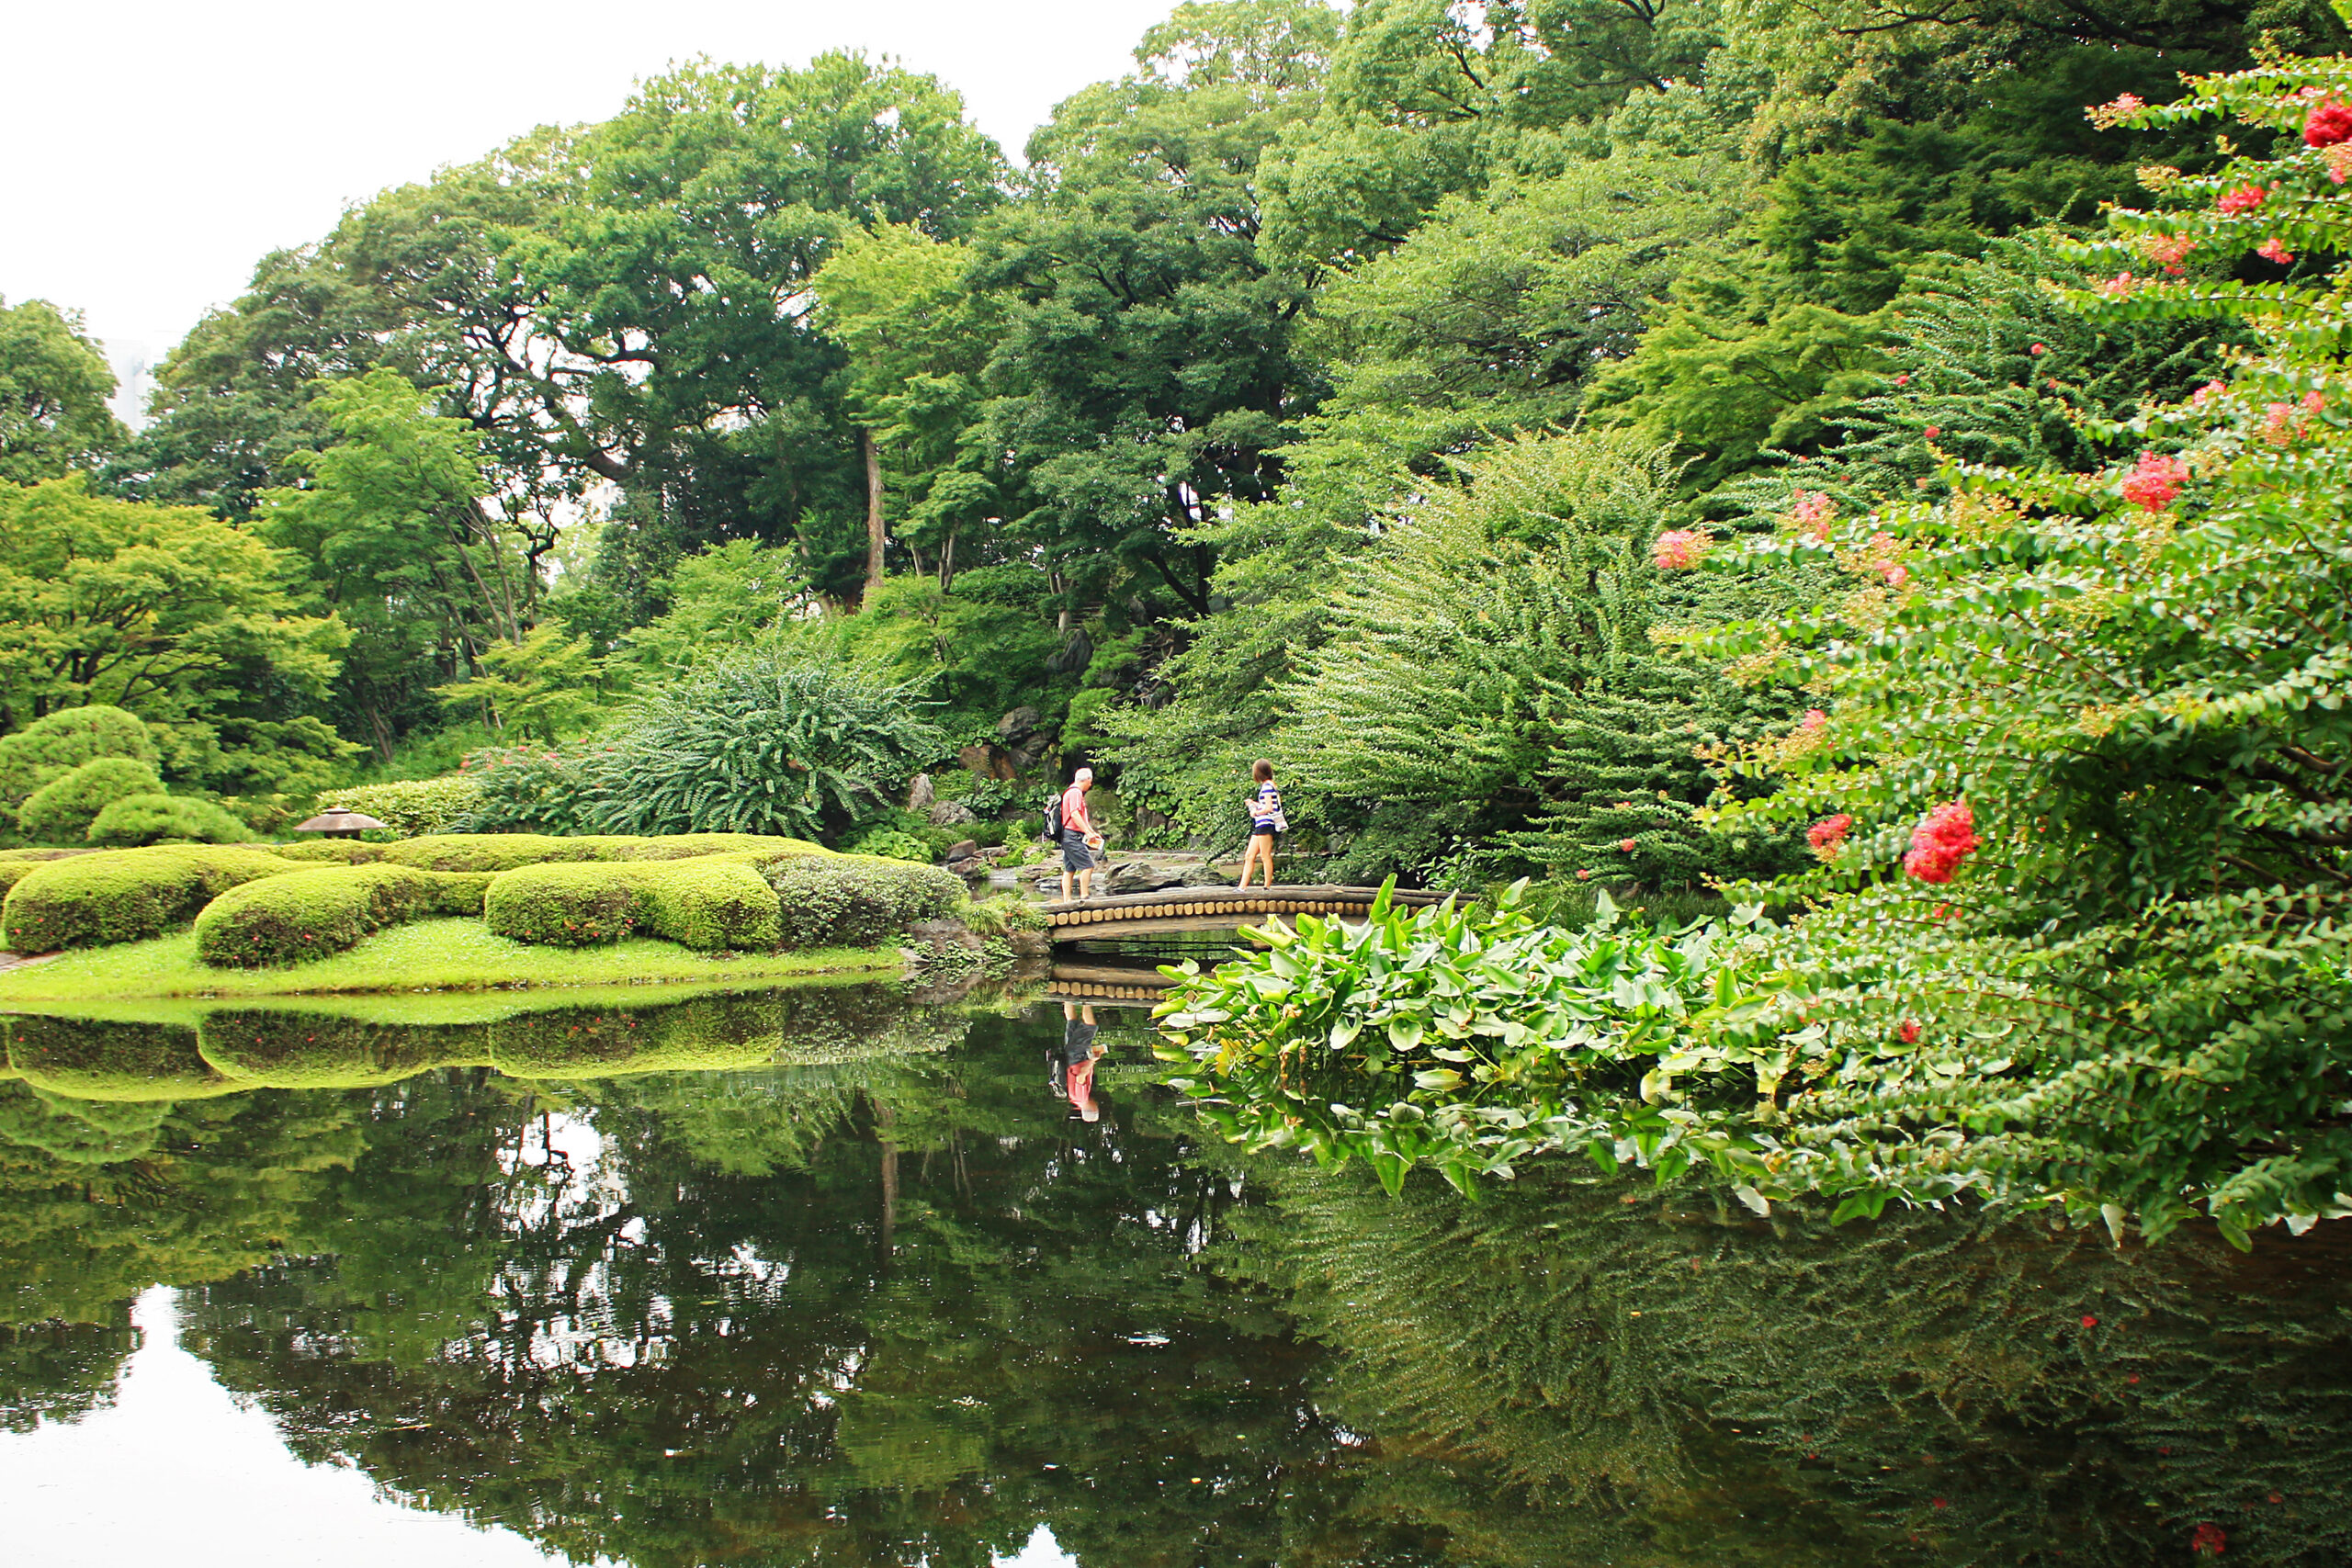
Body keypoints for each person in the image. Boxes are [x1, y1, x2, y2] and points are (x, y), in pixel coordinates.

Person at [1057, 766, 1102, 901]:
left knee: (1069, 869)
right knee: (1088, 866)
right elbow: (1075, 814)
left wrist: (1092, 832)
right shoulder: (1075, 792)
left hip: (1067, 835)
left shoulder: (1070, 792)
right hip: (1072, 836)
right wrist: (1087, 832)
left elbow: (1082, 817)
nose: (1091, 784)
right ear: (1086, 779)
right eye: (1090, 781)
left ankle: (1067, 900)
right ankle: (1084, 896)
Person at [1237, 758, 1283, 888]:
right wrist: (1254, 804)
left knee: (1265, 856)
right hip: (1260, 825)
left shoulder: (1267, 786)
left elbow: (1269, 808)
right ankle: (1242, 887)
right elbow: (1267, 805)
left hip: (1265, 824)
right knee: (1249, 855)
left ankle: (1267, 886)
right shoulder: (1269, 785)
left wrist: (1255, 812)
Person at [1056, 1001, 1104, 1122]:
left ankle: (1087, 1000)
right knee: (1072, 1022)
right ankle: (1067, 996)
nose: (1097, 1104)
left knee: (1090, 1027)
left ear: (1092, 1109)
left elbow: (1081, 1077)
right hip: (1070, 1057)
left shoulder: (1082, 1098)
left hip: (1077, 1057)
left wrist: (1092, 1060)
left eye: (1096, 1108)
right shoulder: (1074, 1100)